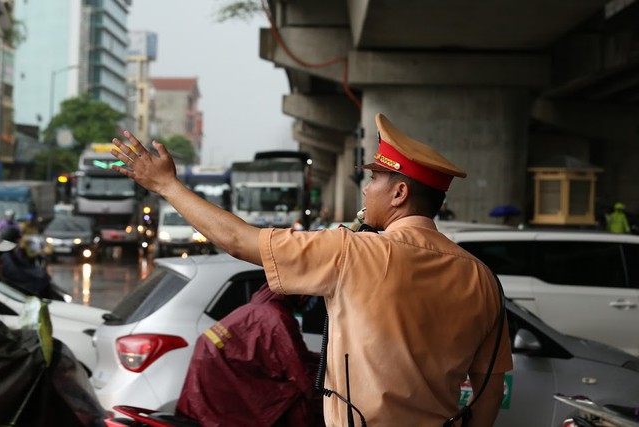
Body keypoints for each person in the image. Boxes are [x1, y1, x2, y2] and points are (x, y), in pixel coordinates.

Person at [111, 113, 513, 427]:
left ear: (400, 193)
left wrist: (166, 186)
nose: (366, 189)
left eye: (373, 178)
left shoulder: (353, 251)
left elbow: (238, 240)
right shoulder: (482, 279)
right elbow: (490, 391)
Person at [175, 283, 321, 426]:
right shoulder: (277, 318)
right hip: (220, 377)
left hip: (211, 371)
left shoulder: (258, 308)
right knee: (295, 398)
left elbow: (293, 356)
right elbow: (299, 371)